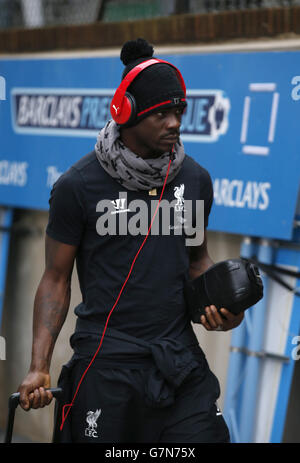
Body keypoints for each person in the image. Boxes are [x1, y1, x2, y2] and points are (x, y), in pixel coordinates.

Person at [18, 38, 244, 443]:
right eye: (161, 113)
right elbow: (55, 278)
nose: (174, 122)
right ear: (126, 112)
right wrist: (39, 365)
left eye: (179, 111)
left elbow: (197, 260)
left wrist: (223, 304)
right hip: (106, 365)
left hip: (178, 363)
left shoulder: (195, 180)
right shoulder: (78, 186)